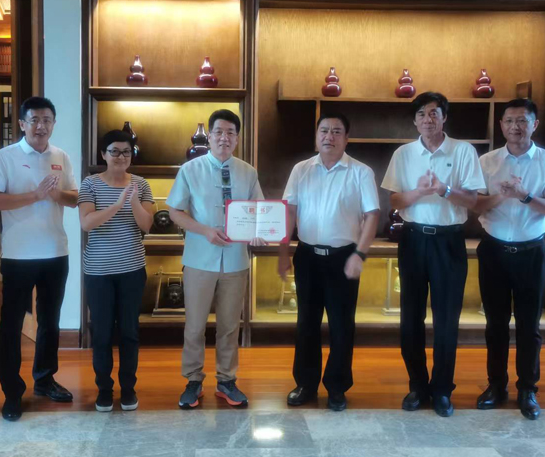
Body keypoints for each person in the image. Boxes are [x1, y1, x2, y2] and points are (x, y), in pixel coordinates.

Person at [381, 91, 485, 417]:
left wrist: (444, 190)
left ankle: (441, 390)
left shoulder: (464, 151)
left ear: (444, 117)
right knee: (410, 318)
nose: (428, 119)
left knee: (446, 319)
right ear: (414, 121)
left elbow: (474, 202)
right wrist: (420, 192)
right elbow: (394, 201)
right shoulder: (403, 154)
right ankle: (417, 386)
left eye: (434, 113)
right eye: (421, 114)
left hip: (449, 241)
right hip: (413, 240)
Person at [473, 98, 545, 420]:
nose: (515, 126)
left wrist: (525, 196)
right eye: (509, 121)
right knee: (495, 324)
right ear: (501, 125)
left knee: (529, 326)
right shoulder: (486, 162)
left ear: (534, 125)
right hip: (494, 251)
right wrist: (502, 195)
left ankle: (528, 389)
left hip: (530, 251)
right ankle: (496, 386)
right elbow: (476, 206)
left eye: (522, 121)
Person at [0, 96, 78, 421]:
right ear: (22, 123)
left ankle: (45, 379)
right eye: (34, 120)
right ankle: (12, 392)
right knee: (11, 324)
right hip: (18, 255)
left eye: (47, 120)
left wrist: (55, 194)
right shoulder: (5, 157)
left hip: (56, 252)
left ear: (54, 123)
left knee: (50, 321)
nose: (41, 126)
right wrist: (35, 195)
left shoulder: (61, 156)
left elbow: (75, 198)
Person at [279, 112, 380, 412]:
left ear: (346, 139)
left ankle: (337, 387)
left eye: (337, 131)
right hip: (307, 256)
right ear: (316, 136)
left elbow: (372, 215)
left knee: (341, 325)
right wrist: (283, 253)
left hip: (343, 258)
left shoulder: (361, 172)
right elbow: (289, 211)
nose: (329, 136)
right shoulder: (301, 170)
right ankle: (305, 384)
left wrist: (359, 254)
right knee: (306, 323)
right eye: (324, 130)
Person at [167, 109, 264, 409]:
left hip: (235, 261)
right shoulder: (190, 169)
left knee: (230, 326)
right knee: (195, 325)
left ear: (237, 138)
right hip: (199, 259)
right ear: (209, 136)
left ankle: (226, 380)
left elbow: (261, 211)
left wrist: (259, 232)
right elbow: (174, 212)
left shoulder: (248, 172)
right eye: (219, 132)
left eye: (230, 133)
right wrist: (205, 231)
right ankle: (193, 380)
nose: (224, 138)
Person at [78, 129, 154, 412]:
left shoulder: (141, 184)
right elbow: (87, 223)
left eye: (126, 152)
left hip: (132, 269)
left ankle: (128, 389)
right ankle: (104, 390)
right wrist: (118, 204)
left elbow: (147, 225)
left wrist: (132, 202)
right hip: (98, 272)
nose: (121, 157)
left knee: (129, 332)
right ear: (103, 154)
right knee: (101, 333)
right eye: (114, 151)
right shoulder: (90, 184)